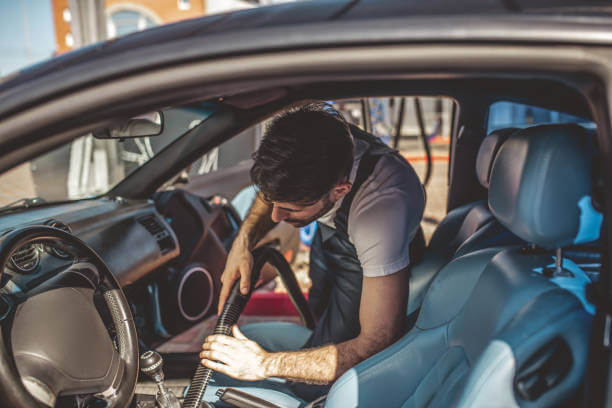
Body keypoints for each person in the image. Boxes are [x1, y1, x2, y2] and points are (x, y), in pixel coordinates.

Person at [200, 103, 425, 402]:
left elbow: (378, 342)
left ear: (340, 190)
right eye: (270, 200)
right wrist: (244, 242)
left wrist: (264, 364)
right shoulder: (315, 141)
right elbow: (276, 193)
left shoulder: (379, 217)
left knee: (314, 385)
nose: (276, 217)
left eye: (292, 209)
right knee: (318, 306)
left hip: (367, 256)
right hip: (334, 229)